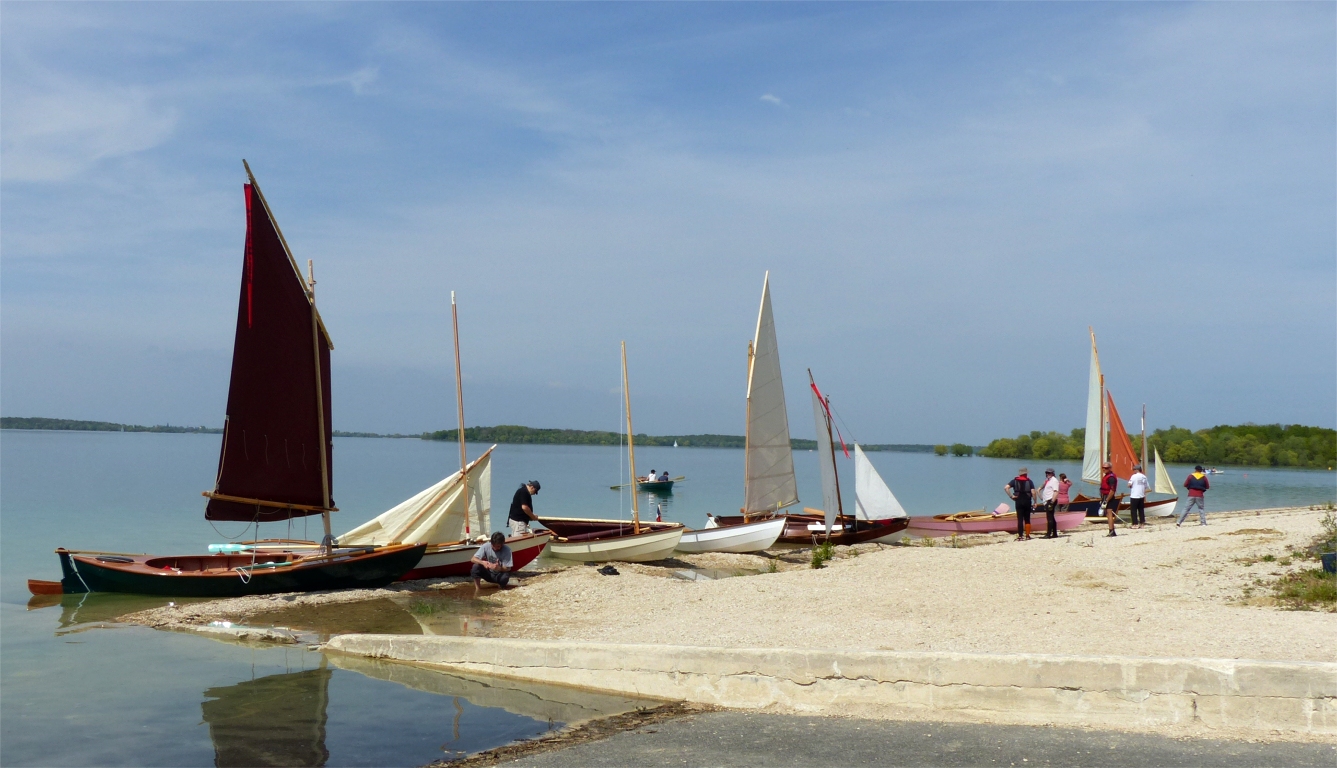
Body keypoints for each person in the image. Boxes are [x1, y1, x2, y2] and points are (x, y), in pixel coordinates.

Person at [1005, 467, 1036, 541]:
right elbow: (1033, 492)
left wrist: (1011, 496)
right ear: (1026, 474)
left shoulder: (1014, 481)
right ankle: (1027, 535)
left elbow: (1006, 488)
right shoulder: (1030, 481)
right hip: (1027, 501)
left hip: (1018, 501)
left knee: (1020, 519)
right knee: (1027, 519)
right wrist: (1035, 502)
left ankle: (1020, 536)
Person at [1038, 468, 1060, 538]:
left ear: (1053, 473)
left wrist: (1052, 502)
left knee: (1049, 518)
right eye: (1046, 473)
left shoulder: (1054, 481)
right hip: (1047, 500)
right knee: (1051, 517)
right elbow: (1042, 487)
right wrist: (1039, 491)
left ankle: (1048, 534)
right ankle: (1054, 534)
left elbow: (1056, 492)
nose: (1047, 474)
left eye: (1049, 473)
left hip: (1050, 500)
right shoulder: (1048, 480)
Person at [1100, 462, 1119, 537]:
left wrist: (1107, 500)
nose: (1104, 469)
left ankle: (1111, 531)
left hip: (1109, 497)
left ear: (1110, 468)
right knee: (1107, 514)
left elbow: (1112, 490)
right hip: (1105, 497)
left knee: (1109, 513)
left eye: (1106, 468)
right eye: (1103, 467)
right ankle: (1112, 530)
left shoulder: (1111, 478)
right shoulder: (1106, 476)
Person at [1128, 463, 1149, 528]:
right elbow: (1146, 486)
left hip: (1134, 495)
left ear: (1136, 470)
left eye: (1134, 470)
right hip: (1141, 495)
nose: (1133, 471)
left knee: (1133, 510)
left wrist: (1130, 486)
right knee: (1141, 510)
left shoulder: (1133, 476)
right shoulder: (1144, 477)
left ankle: (1135, 524)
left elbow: (1129, 484)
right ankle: (1142, 523)